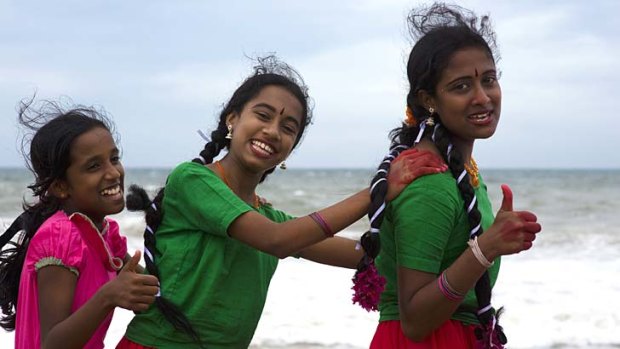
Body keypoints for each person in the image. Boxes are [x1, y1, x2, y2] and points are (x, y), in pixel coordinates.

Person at [116, 56, 446, 349]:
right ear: (232, 119)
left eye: (288, 128)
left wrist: (460, 238)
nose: (273, 131)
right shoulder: (193, 180)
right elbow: (276, 241)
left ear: (290, 149)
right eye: (263, 115)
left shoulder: (268, 215)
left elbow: (360, 255)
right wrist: (377, 191)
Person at [353, 4, 542, 349]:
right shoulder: (430, 182)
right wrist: (486, 247)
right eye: (461, 86)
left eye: (489, 79)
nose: (483, 97)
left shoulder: (460, 171)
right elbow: (415, 320)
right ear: (429, 100)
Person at [0, 100, 160, 349]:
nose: (113, 172)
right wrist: (109, 296)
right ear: (61, 186)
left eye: (114, 158)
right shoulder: (60, 236)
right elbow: (52, 344)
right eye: (94, 166)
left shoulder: (104, 235)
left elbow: (149, 286)